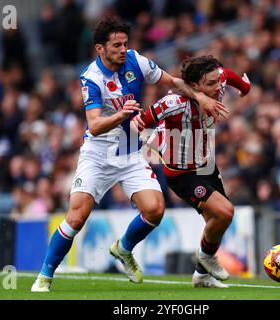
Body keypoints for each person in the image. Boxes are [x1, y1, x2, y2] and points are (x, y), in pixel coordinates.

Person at [31, 16, 227, 292]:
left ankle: (123, 249)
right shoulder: (92, 78)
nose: (123, 50)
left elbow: (172, 81)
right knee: (76, 218)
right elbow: (96, 125)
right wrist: (121, 114)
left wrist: (201, 97)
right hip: (98, 156)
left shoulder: (136, 61)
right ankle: (44, 277)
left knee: (155, 210)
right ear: (100, 48)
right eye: (116, 46)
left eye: (125, 44)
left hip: (130, 152)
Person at [132, 55, 250, 288]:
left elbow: (229, 75)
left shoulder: (218, 80)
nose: (217, 87)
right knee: (225, 212)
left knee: (215, 222)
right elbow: (141, 121)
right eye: (210, 83)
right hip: (182, 174)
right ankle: (206, 258)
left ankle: (201, 276)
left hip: (206, 164)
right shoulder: (173, 104)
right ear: (194, 86)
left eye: (217, 81)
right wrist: (149, 142)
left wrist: (245, 87)